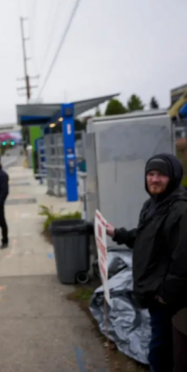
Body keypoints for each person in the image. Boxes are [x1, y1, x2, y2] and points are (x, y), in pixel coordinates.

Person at [105, 154, 187, 372]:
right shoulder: (152, 205)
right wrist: (117, 233)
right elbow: (145, 238)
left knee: (161, 350)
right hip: (154, 292)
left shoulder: (180, 210)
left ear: (174, 177)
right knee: (162, 347)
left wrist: (166, 295)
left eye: (161, 175)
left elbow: (183, 259)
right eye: (150, 174)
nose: (154, 179)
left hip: (168, 298)